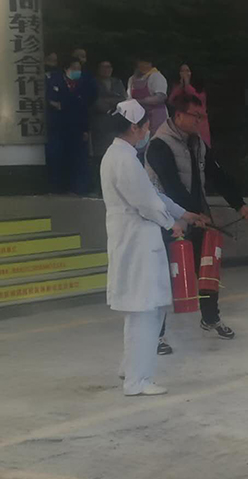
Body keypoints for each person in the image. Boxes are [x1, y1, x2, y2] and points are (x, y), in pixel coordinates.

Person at [101, 100, 206, 396]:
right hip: (136, 243)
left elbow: (153, 194)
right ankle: (138, 380)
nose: (149, 130)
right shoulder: (124, 160)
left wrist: (183, 213)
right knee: (144, 310)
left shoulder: (121, 156)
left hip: (135, 241)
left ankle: (130, 368)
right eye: (147, 126)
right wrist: (170, 223)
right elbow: (146, 203)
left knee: (144, 309)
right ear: (135, 127)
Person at [146, 93, 248, 353]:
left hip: (197, 219)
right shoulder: (159, 145)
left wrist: (240, 205)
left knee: (207, 268)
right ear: (179, 116)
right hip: (167, 222)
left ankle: (210, 318)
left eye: (202, 116)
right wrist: (194, 213)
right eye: (196, 116)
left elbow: (217, 175)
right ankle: (156, 334)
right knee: (164, 277)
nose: (200, 121)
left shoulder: (197, 143)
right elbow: (171, 186)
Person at [45, 56, 92, 195]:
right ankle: (58, 188)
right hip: (58, 127)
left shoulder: (82, 84)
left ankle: (78, 189)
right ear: (66, 69)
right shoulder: (54, 81)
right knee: (57, 157)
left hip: (78, 127)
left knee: (78, 159)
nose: (77, 71)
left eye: (79, 68)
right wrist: (67, 105)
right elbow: (52, 102)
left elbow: (83, 107)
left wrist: (85, 129)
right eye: (74, 68)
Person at [91, 60, 127, 160]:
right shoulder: (93, 82)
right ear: (98, 69)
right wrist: (114, 100)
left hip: (116, 122)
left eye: (108, 67)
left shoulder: (117, 82)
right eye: (103, 67)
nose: (106, 69)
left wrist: (107, 100)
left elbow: (123, 99)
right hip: (99, 123)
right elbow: (96, 102)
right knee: (101, 154)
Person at [169, 63, 211, 147]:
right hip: (182, 124)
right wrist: (181, 86)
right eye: (182, 71)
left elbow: (198, 99)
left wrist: (187, 85)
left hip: (199, 123)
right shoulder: (177, 87)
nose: (184, 74)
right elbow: (171, 100)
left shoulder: (200, 88)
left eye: (187, 71)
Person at [128, 55, 169, 136]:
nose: (143, 65)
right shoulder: (132, 79)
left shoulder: (156, 76)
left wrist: (139, 101)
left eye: (146, 63)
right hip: (139, 117)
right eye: (141, 63)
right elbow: (129, 97)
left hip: (156, 116)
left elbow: (160, 97)